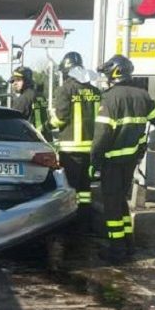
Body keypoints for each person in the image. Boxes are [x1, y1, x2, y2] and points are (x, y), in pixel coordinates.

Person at [91, 55, 155, 263]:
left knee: (112, 206)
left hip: (112, 161)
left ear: (114, 74)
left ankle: (116, 250)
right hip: (131, 160)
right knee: (122, 202)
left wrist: (94, 159)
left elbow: (103, 134)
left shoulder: (110, 98)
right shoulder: (142, 95)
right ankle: (128, 243)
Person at [50, 51, 101, 232]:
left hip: (70, 149)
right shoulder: (95, 91)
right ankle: (85, 223)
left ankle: (70, 225)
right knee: (85, 188)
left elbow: (61, 118)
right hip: (91, 148)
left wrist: (49, 124)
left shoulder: (65, 89)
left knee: (71, 187)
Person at [9, 66, 52, 141]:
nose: (14, 83)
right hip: (46, 138)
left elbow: (13, 122)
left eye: (18, 80)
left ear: (27, 80)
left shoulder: (24, 98)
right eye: (13, 81)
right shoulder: (40, 95)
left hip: (32, 139)